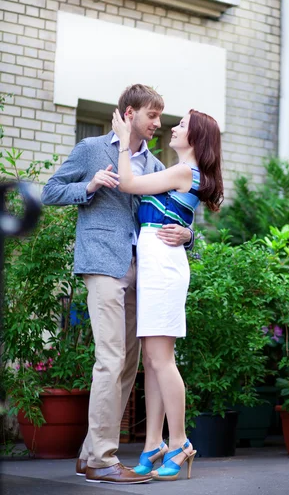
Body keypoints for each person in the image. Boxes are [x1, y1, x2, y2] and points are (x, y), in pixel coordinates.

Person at [41, 84, 193, 485]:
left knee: (127, 363)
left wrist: (189, 237)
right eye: (152, 116)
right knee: (110, 358)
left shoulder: (158, 165)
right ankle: (104, 460)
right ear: (129, 114)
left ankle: (90, 452)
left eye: (161, 117)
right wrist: (88, 186)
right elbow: (50, 191)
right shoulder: (92, 148)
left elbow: (182, 218)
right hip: (103, 264)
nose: (159, 124)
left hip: (142, 270)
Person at [111, 106, 223, 481]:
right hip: (157, 264)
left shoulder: (181, 171)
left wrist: (125, 142)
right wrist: (189, 233)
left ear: (195, 138)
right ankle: (152, 444)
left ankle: (179, 442)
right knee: (153, 361)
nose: (174, 128)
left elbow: (127, 183)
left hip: (163, 269)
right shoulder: (182, 172)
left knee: (162, 360)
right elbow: (179, 217)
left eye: (182, 126)